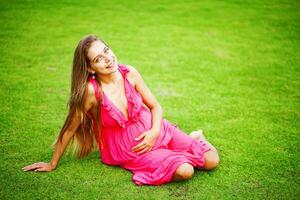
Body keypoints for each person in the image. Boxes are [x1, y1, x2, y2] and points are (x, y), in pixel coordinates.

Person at [22, 34, 220, 186]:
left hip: (156, 130)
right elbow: (70, 128)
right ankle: (178, 154)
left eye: (107, 51)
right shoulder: (91, 92)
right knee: (186, 171)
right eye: (98, 59)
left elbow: (155, 106)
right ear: (91, 68)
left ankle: (196, 139)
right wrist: (52, 163)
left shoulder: (130, 73)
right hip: (132, 150)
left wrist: (154, 132)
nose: (108, 59)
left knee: (212, 161)